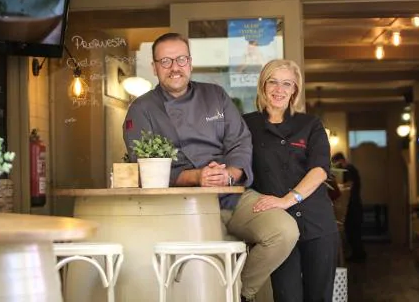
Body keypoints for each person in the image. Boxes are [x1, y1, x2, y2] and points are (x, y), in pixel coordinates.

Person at [123, 33, 299, 302]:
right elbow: (144, 166)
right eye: (166, 61)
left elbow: (240, 142)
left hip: (232, 196)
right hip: (181, 205)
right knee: (200, 268)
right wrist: (197, 177)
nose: (175, 67)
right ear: (155, 66)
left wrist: (229, 174)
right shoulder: (141, 109)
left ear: (190, 63)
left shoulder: (214, 94)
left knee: (284, 231)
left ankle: (239, 291)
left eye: (181, 59)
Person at [243, 59, 339, 302]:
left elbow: (319, 170)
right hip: (279, 228)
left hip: (316, 223)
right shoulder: (247, 125)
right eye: (272, 82)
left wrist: (288, 199)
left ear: (295, 89)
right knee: (287, 297)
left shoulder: (310, 124)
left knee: (319, 297)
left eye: (287, 83)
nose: (279, 89)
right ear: (263, 86)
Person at [331, 152, 366, 262]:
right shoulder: (351, 168)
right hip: (355, 205)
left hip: (353, 206)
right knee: (354, 232)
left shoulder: (349, 169)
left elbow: (350, 184)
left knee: (353, 232)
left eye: (336, 163)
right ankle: (358, 254)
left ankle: (358, 255)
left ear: (340, 160)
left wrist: (341, 186)